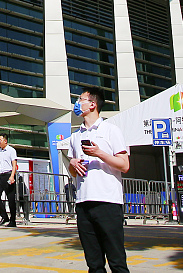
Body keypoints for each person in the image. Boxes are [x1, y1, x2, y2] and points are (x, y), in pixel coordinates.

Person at [59, 87, 130, 273]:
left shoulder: (111, 130)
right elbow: (74, 173)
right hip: (83, 203)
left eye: (80, 99)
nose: (76, 103)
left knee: (117, 262)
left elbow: (124, 165)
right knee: (94, 263)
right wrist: (72, 163)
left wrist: (99, 153)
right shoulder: (76, 136)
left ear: (92, 104)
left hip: (108, 203)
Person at [0, 134, 18, 227]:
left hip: (8, 174)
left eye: (0, 140)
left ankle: (13, 220)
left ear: (5, 141)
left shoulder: (11, 150)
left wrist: (12, 176)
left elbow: (14, 163)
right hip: (1, 176)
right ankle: (4, 216)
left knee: (11, 199)